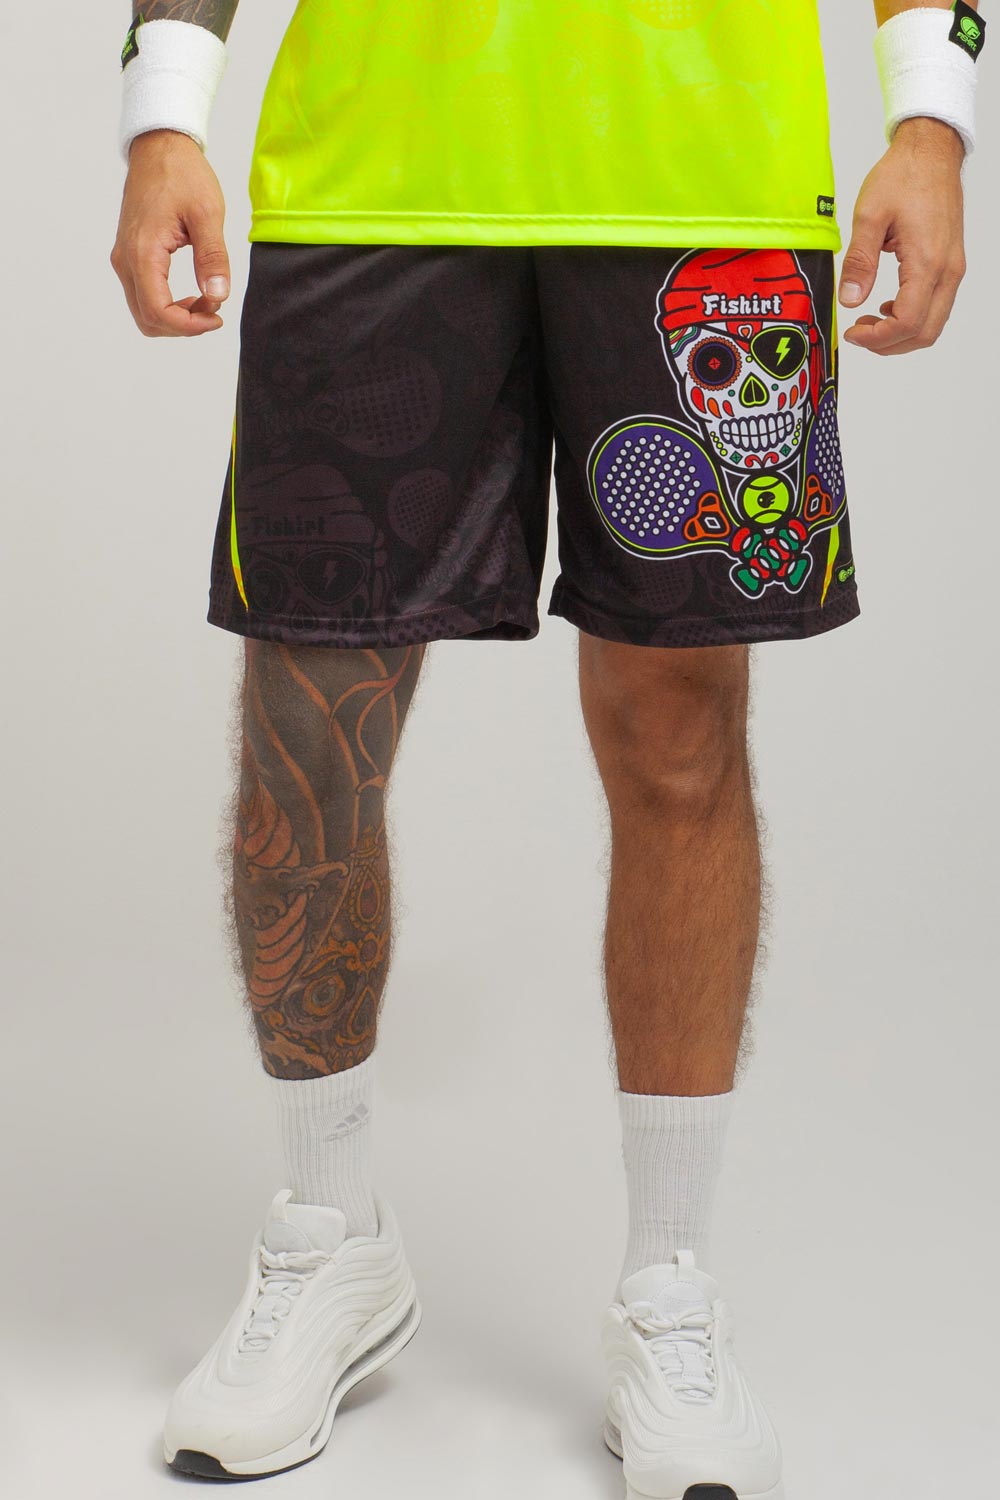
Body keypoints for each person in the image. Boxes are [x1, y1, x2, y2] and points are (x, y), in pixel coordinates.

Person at [111, 1, 983, 1493]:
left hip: (704, 180)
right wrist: (163, 109)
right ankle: (329, 1236)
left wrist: (932, 118)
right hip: (373, 177)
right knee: (308, 732)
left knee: (678, 738)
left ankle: (669, 1285)